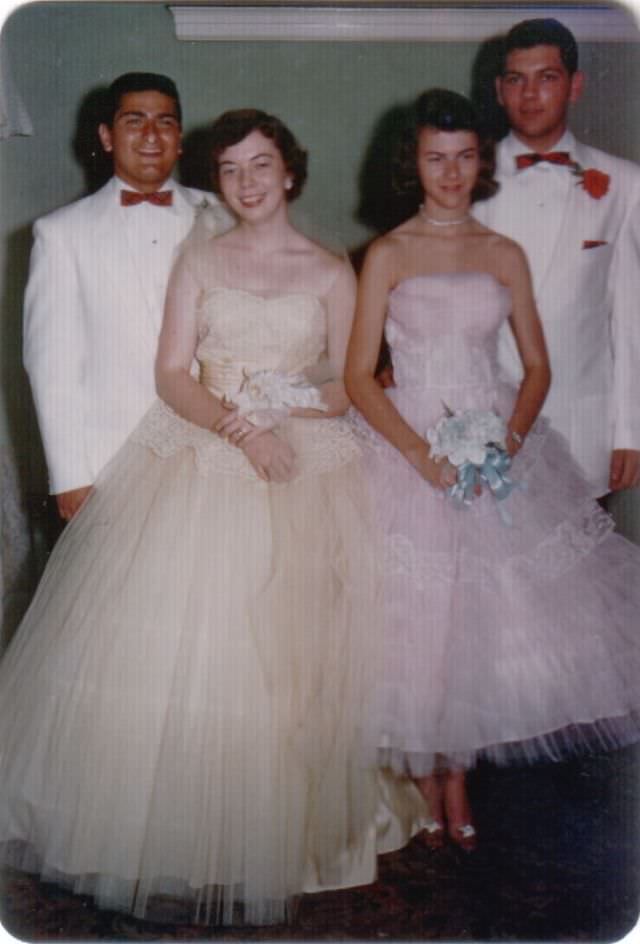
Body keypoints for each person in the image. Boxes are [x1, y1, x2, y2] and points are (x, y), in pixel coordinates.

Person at [0, 108, 426, 926]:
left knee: (289, 652)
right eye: (230, 171)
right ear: (218, 182)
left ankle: (282, 828)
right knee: (179, 640)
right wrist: (239, 423)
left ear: (290, 171)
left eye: (260, 165)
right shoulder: (200, 257)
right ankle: (166, 827)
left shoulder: (333, 268)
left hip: (304, 464)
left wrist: (292, 409)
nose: (247, 183)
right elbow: (171, 374)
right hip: (197, 454)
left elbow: (351, 382)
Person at [345, 88, 640, 850]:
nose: (451, 173)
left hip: (495, 450)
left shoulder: (501, 252)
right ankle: (428, 779)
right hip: (405, 448)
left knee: (484, 624)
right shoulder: (387, 253)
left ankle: (461, 776)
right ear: (412, 165)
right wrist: (419, 456)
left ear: (481, 162)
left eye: (465, 157)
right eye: (435, 158)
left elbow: (538, 367)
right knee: (414, 625)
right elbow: (355, 375)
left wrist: (505, 441)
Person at [23, 71, 231, 522]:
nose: (152, 136)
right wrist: (70, 474)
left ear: (179, 136)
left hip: (220, 452)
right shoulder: (61, 234)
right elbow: (51, 365)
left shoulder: (226, 216)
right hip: (114, 464)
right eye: (134, 121)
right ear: (107, 136)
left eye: (166, 122)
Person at [473, 19, 640, 512]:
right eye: (516, 79)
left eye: (546, 77)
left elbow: (630, 319)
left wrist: (629, 430)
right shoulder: (466, 178)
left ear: (575, 86)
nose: (530, 95)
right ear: (499, 90)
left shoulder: (625, 184)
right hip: (486, 426)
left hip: (582, 431)